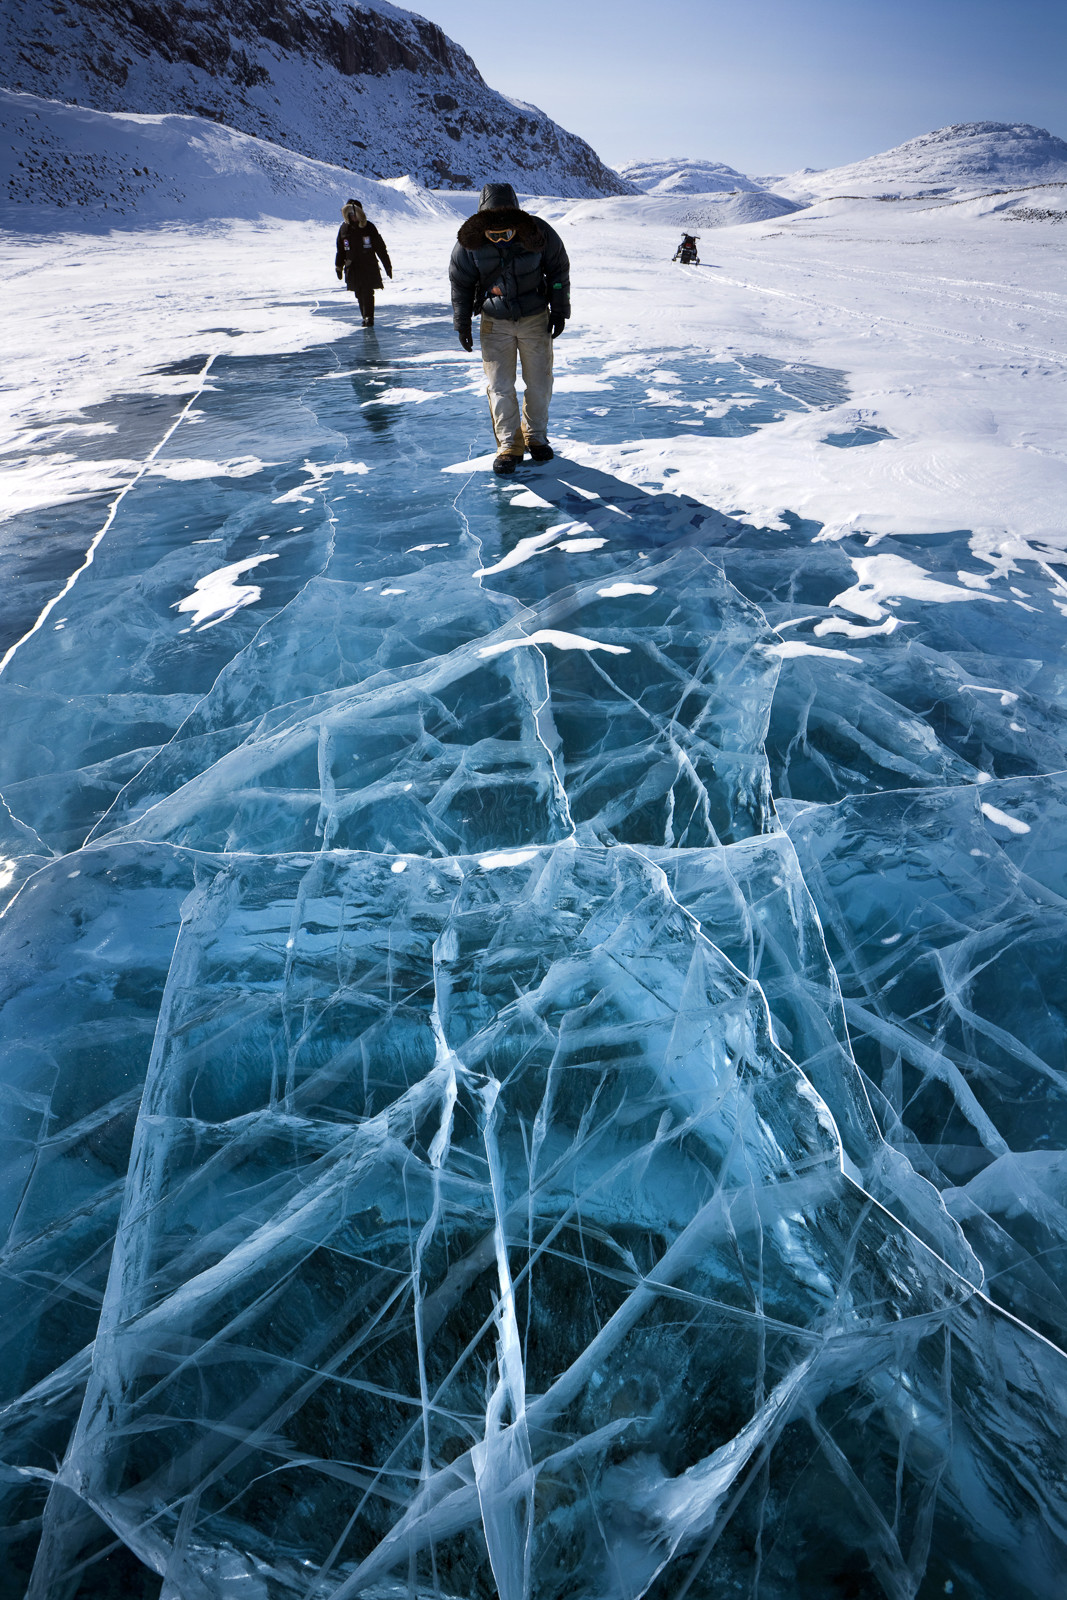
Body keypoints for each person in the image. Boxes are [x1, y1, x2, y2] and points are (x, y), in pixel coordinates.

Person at [449, 182, 570, 476]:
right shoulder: (469, 244)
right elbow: (461, 284)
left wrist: (560, 309)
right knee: (500, 387)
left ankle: (535, 437)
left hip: (534, 318)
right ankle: (509, 446)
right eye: (494, 233)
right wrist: (462, 322)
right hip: (494, 322)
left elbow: (558, 270)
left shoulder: (539, 234)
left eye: (507, 232)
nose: (501, 238)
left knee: (539, 384)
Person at [335, 199, 392, 326]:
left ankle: (369, 317)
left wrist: (387, 266)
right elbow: (340, 250)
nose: (353, 216)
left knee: (367, 292)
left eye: (355, 214)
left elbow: (380, 248)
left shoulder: (369, 227)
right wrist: (338, 267)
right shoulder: (344, 229)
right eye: (350, 214)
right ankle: (365, 316)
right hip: (353, 268)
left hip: (368, 266)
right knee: (359, 293)